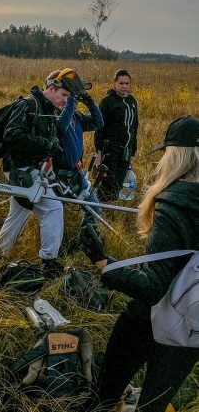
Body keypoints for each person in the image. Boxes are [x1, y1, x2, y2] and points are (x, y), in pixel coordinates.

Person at [79, 116, 199, 412]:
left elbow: (152, 287)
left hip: (147, 321)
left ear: (177, 157)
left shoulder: (172, 208)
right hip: (191, 331)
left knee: (104, 396)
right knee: (153, 406)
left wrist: (103, 262)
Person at [0, 68, 79, 278]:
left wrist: (51, 145)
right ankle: (49, 262)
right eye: (64, 95)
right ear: (51, 88)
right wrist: (44, 143)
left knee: (19, 212)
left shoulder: (48, 109)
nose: (66, 101)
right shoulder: (28, 105)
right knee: (53, 208)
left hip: (30, 169)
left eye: (68, 97)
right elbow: (12, 135)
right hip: (19, 169)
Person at [53, 89, 103, 232]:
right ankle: (59, 244)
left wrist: (90, 102)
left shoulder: (77, 116)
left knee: (94, 208)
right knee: (55, 214)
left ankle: (87, 238)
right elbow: (62, 126)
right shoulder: (53, 116)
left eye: (73, 99)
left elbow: (98, 123)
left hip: (76, 174)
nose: (72, 102)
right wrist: (70, 102)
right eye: (66, 97)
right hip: (56, 176)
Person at [94, 69, 140, 201]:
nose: (124, 86)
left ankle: (111, 207)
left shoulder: (132, 101)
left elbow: (134, 125)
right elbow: (100, 128)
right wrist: (99, 151)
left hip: (126, 149)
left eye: (127, 83)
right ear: (115, 83)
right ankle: (100, 208)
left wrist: (133, 148)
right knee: (108, 180)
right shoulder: (108, 101)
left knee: (119, 181)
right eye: (121, 83)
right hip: (110, 149)